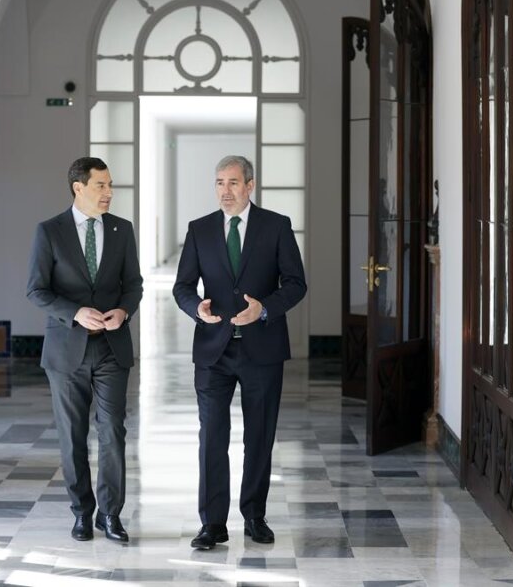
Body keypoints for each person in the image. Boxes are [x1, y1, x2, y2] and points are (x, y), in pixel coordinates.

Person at [173, 155, 307, 550]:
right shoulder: (199, 230)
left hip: (262, 349)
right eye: (219, 183)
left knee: (259, 437)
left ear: (250, 185)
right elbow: (182, 286)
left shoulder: (276, 226)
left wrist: (263, 309)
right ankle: (212, 524)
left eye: (233, 183)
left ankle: (254, 516)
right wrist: (194, 308)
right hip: (213, 350)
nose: (225, 191)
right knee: (212, 437)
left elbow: (296, 283)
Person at [26, 157, 143, 543]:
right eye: (101, 186)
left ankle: (111, 515)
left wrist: (123, 311)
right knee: (72, 435)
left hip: (112, 347)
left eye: (110, 185)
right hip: (66, 351)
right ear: (79, 187)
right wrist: (75, 312)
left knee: (112, 431)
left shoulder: (122, 230)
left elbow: (134, 284)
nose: (109, 193)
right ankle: (82, 512)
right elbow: (37, 290)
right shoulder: (50, 232)